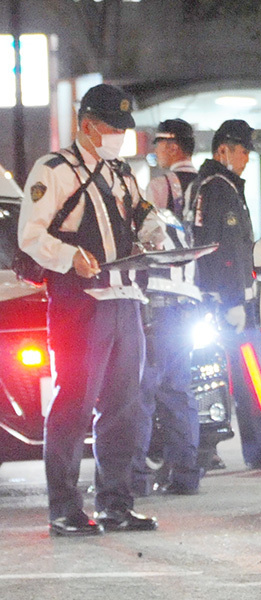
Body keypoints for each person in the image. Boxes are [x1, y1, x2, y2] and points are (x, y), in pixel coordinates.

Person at [18, 83, 161, 536]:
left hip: (124, 299)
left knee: (124, 408)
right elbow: (31, 235)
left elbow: (143, 212)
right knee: (72, 406)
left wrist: (155, 233)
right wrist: (69, 258)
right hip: (79, 304)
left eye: (122, 127)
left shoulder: (120, 172)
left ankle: (116, 504)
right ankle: (64, 507)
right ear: (86, 125)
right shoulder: (54, 170)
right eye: (111, 127)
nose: (118, 134)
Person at [186, 119, 261, 470]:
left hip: (234, 297)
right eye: (243, 150)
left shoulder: (222, 186)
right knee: (250, 374)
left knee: (248, 374)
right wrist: (233, 298)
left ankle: (259, 444)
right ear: (223, 150)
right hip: (231, 301)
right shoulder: (217, 188)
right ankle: (259, 447)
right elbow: (219, 249)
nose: (247, 158)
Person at [131, 119, 204, 496]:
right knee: (179, 390)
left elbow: (142, 236)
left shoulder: (159, 189)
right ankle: (186, 475)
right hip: (188, 300)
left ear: (174, 145)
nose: (156, 149)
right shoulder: (208, 187)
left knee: (140, 392)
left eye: (159, 142)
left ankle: (134, 480)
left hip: (155, 302)